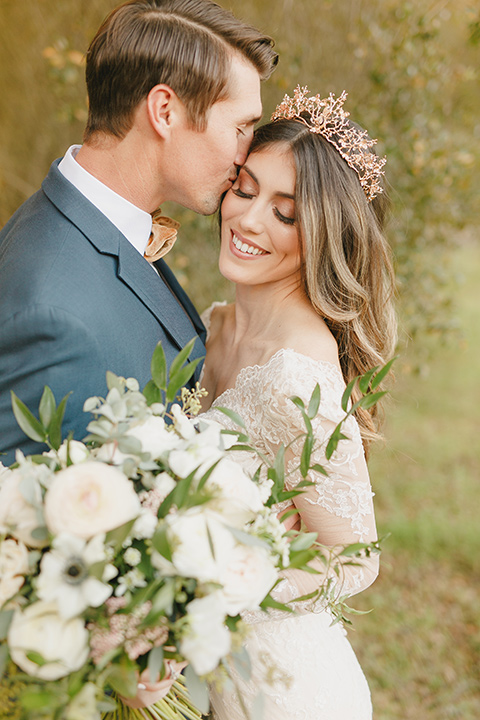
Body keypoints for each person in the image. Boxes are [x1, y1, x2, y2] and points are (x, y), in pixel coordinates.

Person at [0, 0, 277, 464]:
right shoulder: (52, 320)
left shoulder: (88, 222)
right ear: (164, 111)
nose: (247, 154)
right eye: (242, 127)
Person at [200, 87, 397, 720]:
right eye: (246, 188)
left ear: (324, 238)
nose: (249, 220)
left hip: (279, 691)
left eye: (286, 214)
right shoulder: (213, 326)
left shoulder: (297, 375)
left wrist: (215, 592)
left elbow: (356, 558)